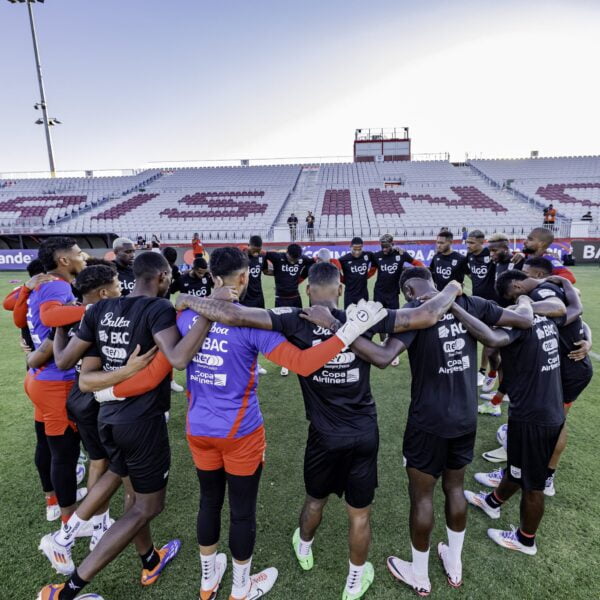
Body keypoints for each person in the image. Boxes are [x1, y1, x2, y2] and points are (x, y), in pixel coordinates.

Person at [176, 257, 465, 600]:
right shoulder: (365, 316)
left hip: (322, 435)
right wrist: (451, 287)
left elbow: (236, 315)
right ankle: (354, 582)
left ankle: (305, 546)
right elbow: (423, 316)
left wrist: (190, 300)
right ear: (341, 289)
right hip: (363, 432)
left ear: (307, 290)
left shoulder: (291, 318)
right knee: (359, 515)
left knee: (315, 500)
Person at [38, 251, 215, 600]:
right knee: (147, 507)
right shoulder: (157, 309)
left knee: (128, 486)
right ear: (163, 277)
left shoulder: (101, 310)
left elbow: (81, 373)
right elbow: (179, 359)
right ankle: (66, 592)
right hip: (142, 422)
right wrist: (208, 315)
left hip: (108, 417)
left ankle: (148, 559)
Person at [348, 267, 533, 596]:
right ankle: (455, 564)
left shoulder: (415, 314)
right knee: (455, 488)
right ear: (433, 281)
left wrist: (341, 331)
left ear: (407, 289)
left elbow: (383, 356)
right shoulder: (471, 303)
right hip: (465, 417)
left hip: (428, 421)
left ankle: (419, 574)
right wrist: (527, 304)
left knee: (422, 496)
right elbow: (517, 321)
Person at [456, 279, 566, 556]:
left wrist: (461, 312)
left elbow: (491, 341)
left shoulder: (519, 326)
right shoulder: (546, 315)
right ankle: (492, 502)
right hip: (541, 409)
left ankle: (525, 539)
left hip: (534, 416)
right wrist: (526, 305)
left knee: (533, 484)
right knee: (518, 468)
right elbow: (562, 305)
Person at [478, 266, 592, 496]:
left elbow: (562, 309)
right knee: (552, 423)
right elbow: (577, 311)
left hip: (568, 370)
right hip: (567, 366)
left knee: (552, 425)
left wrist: (518, 307)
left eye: (512, 295)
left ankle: (540, 476)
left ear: (518, 287)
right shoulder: (552, 287)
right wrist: (587, 339)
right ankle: (528, 472)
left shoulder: (539, 294)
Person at [338, 237, 376, 309]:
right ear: (350, 247)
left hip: (363, 295)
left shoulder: (368, 255)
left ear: (362, 247)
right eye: (354, 249)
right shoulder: (343, 259)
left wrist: (368, 275)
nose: (357, 252)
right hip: (350, 296)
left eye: (359, 249)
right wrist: (344, 280)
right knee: (349, 317)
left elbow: (379, 258)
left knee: (364, 318)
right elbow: (335, 270)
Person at [241, 236, 268, 309]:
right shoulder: (241, 257)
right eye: (254, 250)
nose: (256, 253)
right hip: (245, 297)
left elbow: (266, 271)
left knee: (261, 318)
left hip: (259, 296)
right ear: (248, 246)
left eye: (258, 250)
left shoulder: (262, 256)